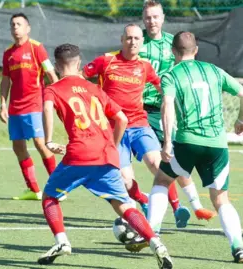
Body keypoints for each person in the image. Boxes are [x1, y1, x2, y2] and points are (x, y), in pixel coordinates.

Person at [38, 43, 172, 269]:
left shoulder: (53, 88)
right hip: (106, 155)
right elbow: (122, 119)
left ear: (57, 65)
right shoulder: (95, 89)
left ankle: (62, 241)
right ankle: (157, 244)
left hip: (80, 153)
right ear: (79, 63)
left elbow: (47, 108)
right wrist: (113, 144)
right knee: (123, 205)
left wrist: (49, 140)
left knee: (50, 197)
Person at [145, 31, 243, 263]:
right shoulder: (214, 70)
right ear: (196, 50)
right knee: (221, 199)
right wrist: (242, 120)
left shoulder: (171, 74)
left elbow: (167, 105)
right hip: (217, 145)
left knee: (163, 180)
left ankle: (152, 234)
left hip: (187, 142)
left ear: (172, 51)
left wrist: (166, 142)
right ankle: (239, 247)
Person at [83, 23, 191, 228]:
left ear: (141, 42)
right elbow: (80, 78)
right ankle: (143, 200)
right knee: (125, 181)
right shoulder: (106, 60)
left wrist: (179, 104)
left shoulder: (145, 65)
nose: (132, 42)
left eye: (136, 39)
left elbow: (163, 88)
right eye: (129, 38)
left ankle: (177, 209)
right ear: (122, 40)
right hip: (113, 129)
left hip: (139, 124)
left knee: (158, 164)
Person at [141, 0, 216, 223]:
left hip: (167, 111)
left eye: (155, 16)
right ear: (143, 19)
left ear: (163, 18)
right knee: (155, 162)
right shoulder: (137, 43)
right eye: (147, 17)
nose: (151, 21)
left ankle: (196, 206)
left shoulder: (173, 44)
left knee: (174, 161)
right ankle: (170, 208)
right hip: (140, 111)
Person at [0, 13, 59, 200]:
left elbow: (51, 73)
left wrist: (59, 95)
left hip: (35, 104)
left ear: (28, 28)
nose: (15, 27)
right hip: (15, 108)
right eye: (13, 25)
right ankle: (34, 190)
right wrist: (2, 104)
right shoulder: (8, 53)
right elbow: (5, 80)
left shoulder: (37, 48)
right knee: (18, 147)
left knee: (40, 144)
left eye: (19, 24)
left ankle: (58, 187)